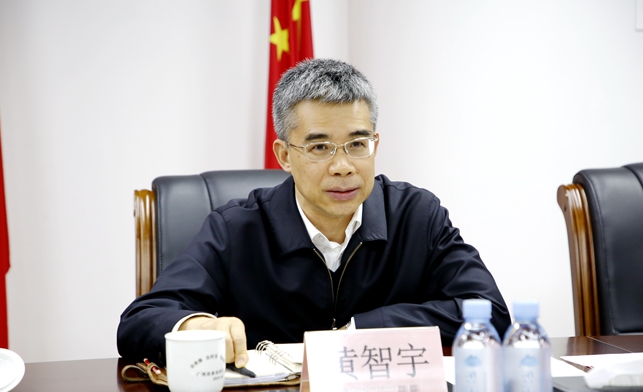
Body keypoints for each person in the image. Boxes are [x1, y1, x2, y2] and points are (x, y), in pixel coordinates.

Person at [117, 58, 511, 369]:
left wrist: (361, 330)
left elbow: (490, 313)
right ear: (284, 156)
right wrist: (197, 325)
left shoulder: (416, 216)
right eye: (320, 148)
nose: (343, 167)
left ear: (374, 143)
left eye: (357, 144)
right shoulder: (236, 228)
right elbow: (141, 320)